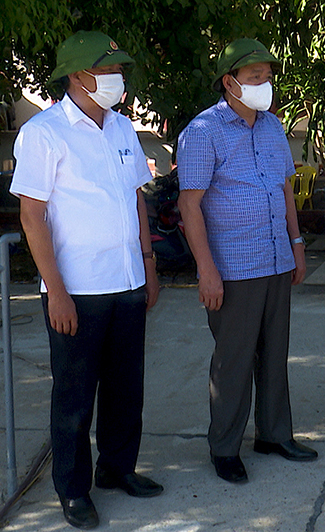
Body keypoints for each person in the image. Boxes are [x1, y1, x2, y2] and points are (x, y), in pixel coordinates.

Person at [10, 31, 163, 529]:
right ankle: (73, 490)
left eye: (120, 70)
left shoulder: (121, 129)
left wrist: (149, 265)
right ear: (78, 76)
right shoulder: (44, 132)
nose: (118, 79)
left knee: (126, 390)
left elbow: (136, 199)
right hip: (75, 290)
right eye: (108, 70)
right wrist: (55, 290)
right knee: (74, 397)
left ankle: (117, 470)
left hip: (126, 282)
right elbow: (32, 216)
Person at [177, 38, 318, 485]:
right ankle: (224, 447)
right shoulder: (203, 131)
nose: (265, 84)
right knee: (233, 361)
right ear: (230, 82)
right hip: (233, 267)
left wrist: (297, 245)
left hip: (276, 257)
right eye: (255, 76)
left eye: (268, 76)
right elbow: (189, 205)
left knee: (275, 355)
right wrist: (207, 269)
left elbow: (283, 189)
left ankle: (274, 434)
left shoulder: (273, 126)